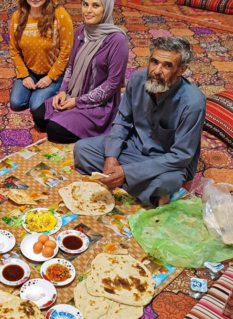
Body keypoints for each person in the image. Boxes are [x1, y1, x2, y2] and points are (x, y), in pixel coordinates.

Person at [74, 37, 206, 206]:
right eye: (154, 62)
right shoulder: (137, 80)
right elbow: (122, 121)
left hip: (165, 162)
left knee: (165, 183)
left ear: (181, 70)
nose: (156, 71)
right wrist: (111, 157)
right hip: (134, 147)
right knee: (82, 149)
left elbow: (181, 156)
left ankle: (133, 184)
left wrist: (127, 172)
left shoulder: (193, 103)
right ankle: (145, 192)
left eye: (167, 66)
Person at [32, 0, 129, 144]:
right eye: (85, 4)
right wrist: (63, 92)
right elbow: (71, 66)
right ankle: (68, 117)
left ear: (107, 8)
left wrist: (78, 102)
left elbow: (112, 84)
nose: (88, 11)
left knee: (54, 130)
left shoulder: (117, 41)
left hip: (99, 104)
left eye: (96, 6)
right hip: (74, 93)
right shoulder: (81, 31)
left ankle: (81, 122)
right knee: (39, 116)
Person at [9, 0, 73, 112]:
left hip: (54, 71)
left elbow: (67, 50)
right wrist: (24, 75)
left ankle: (59, 88)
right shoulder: (17, 17)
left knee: (36, 106)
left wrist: (50, 77)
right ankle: (36, 90)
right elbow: (14, 50)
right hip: (30, 70)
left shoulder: (60, 15)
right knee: (16, 103)